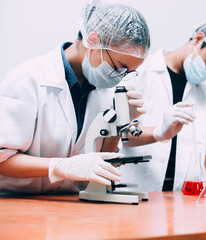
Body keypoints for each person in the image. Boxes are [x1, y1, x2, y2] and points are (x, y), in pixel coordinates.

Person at [0, 0, 151, 194]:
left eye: (128, 72)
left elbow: (102, 158)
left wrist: (119, 122)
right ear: (93, 40)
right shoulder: (27, 79)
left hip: (71, 205)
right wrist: (61, 166)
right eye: (119, 67)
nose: (120, 77)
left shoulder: (104, 88)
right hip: (17, 203)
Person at [120, 20, 206, 192]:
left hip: (184, 197)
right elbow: (119, 134)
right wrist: (158, 132)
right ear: (198, 39)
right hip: (138, 191)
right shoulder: (139, 74)